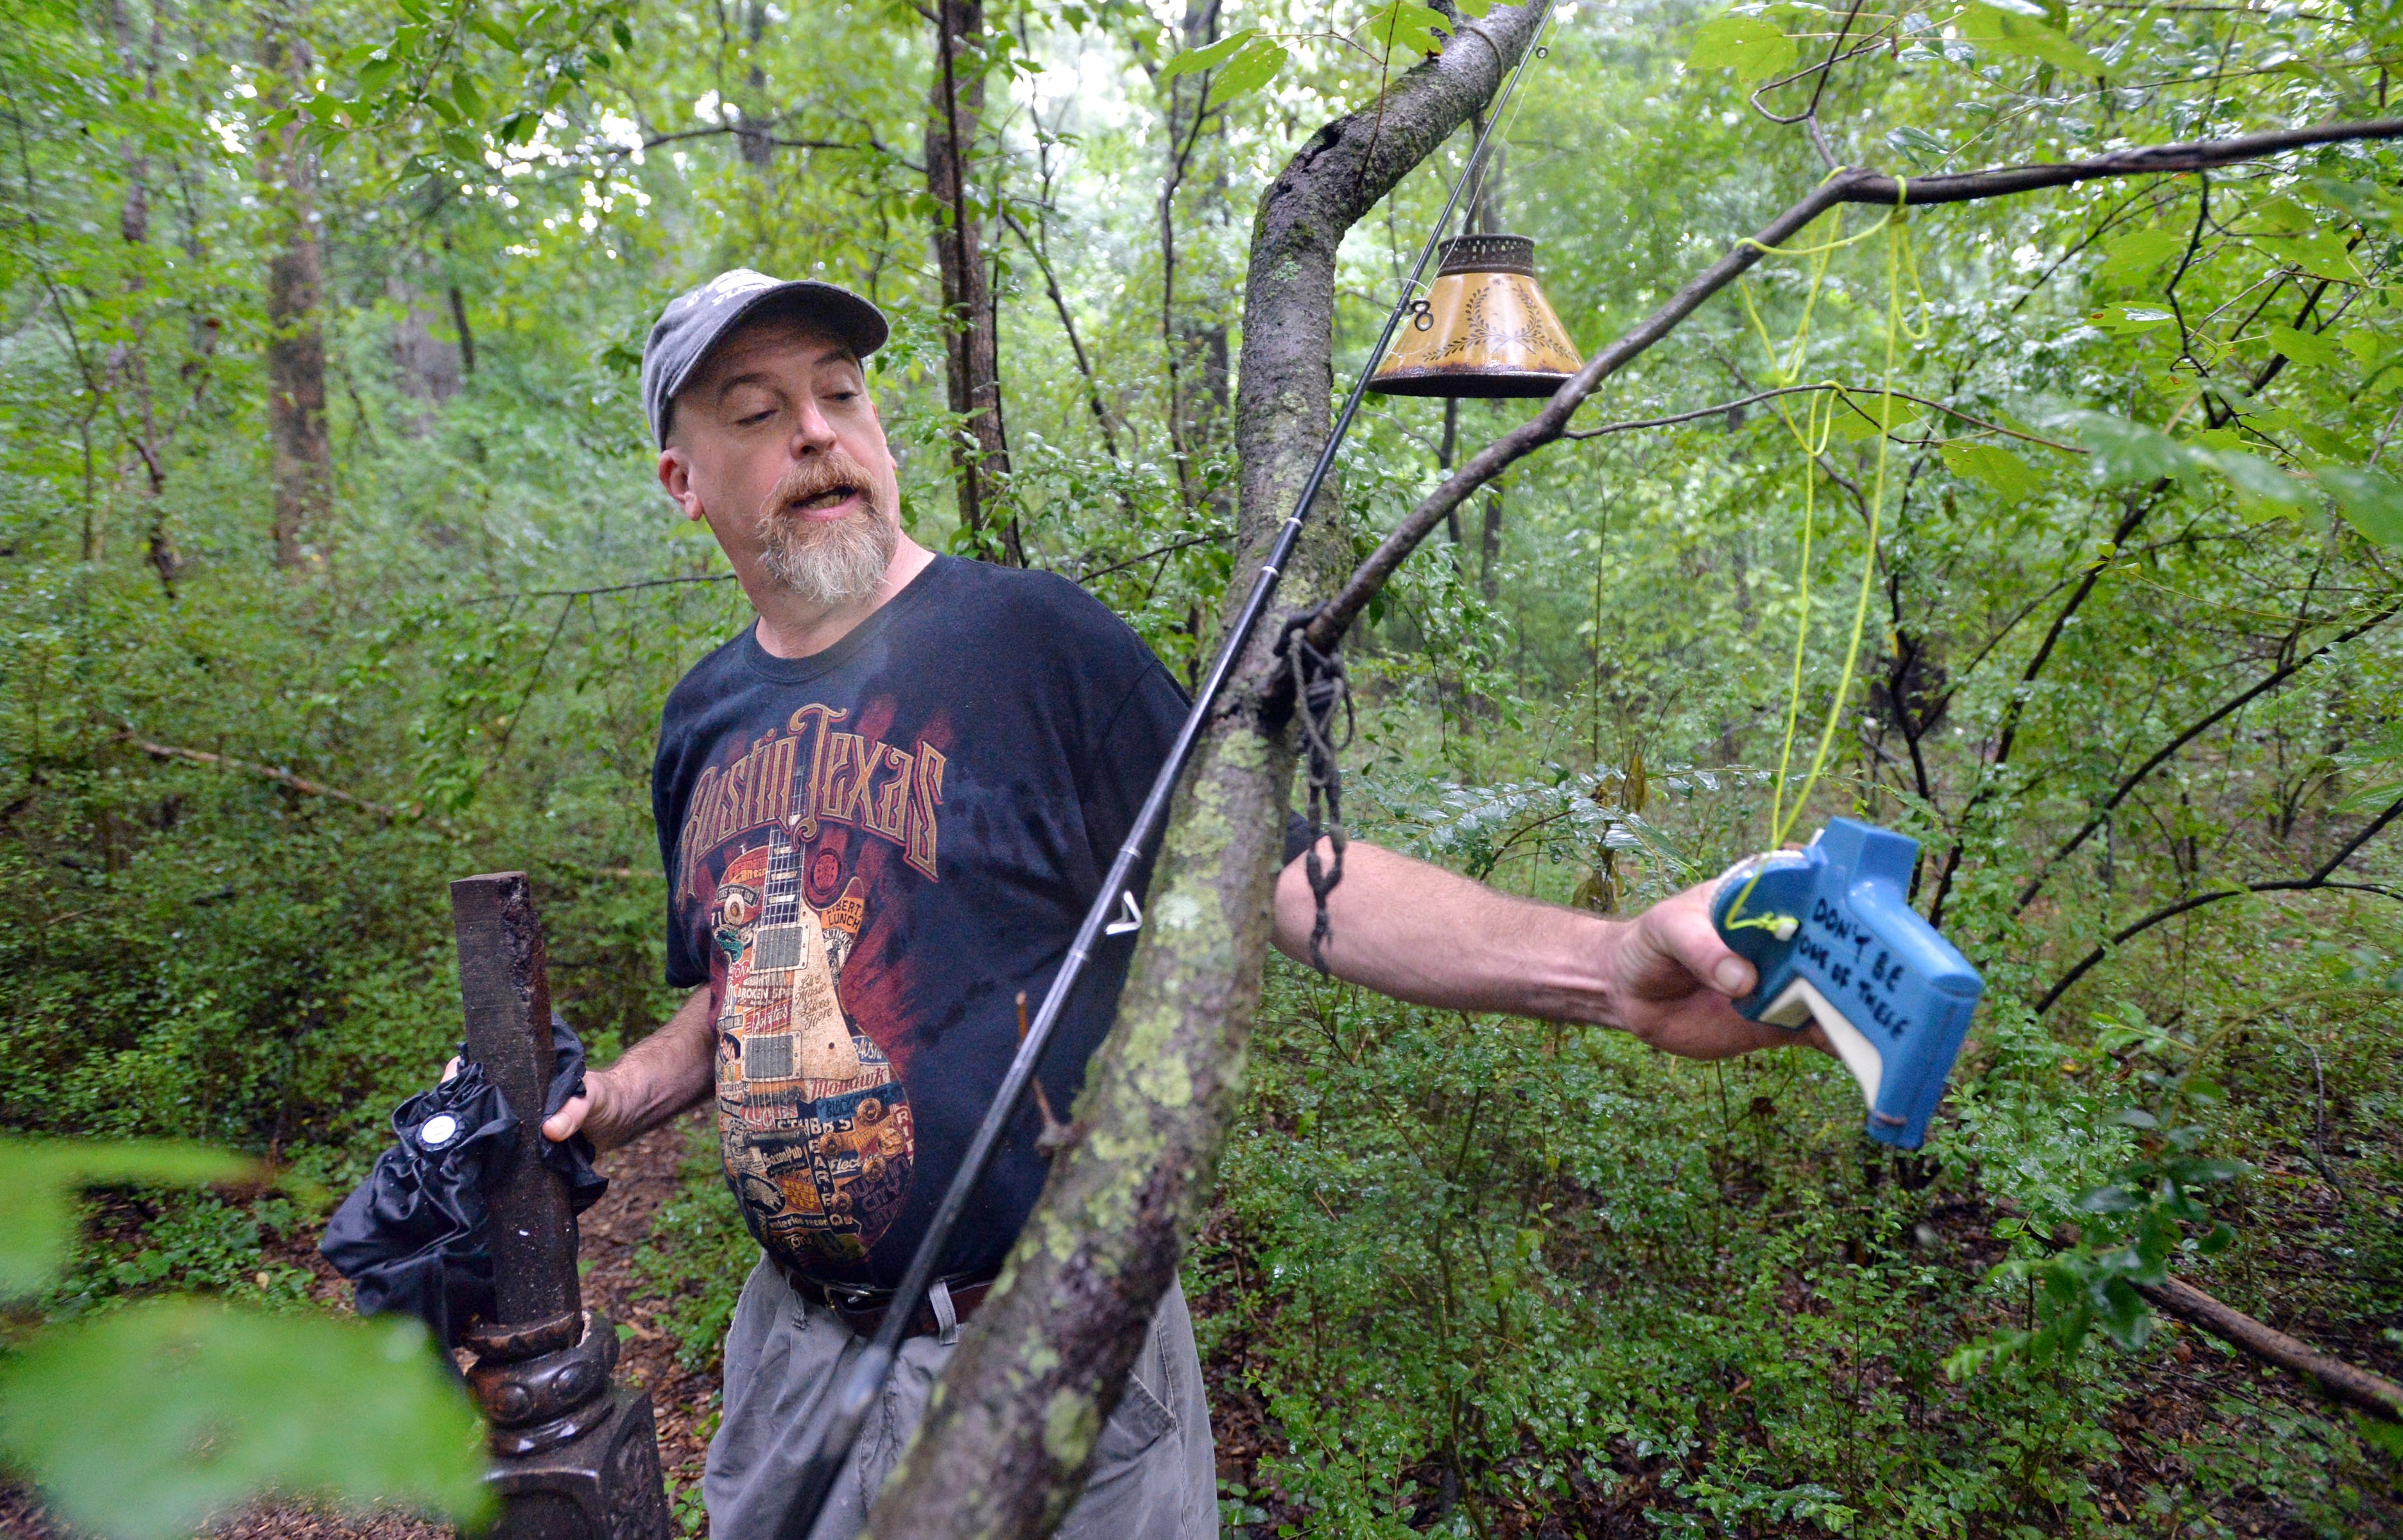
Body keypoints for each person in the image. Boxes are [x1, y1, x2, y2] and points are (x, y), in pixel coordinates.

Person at [526, 269, 1822, 1540]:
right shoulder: (701, 720)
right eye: (755, 412)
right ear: (682, 482)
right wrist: (625, 1097)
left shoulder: (1032, 643)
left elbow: (1283, 878)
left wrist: (1608, 968)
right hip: (793, 1357)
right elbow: (732, 991)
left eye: (841, 394)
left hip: (1046, 1344)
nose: (814, 432)